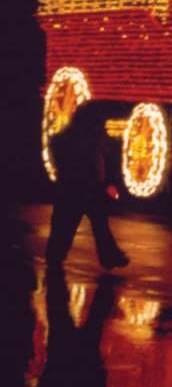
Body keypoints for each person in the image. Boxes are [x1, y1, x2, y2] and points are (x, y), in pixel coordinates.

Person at [45, 101, 129, 270]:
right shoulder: (84, 138)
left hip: (80, 186)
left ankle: (57, 254)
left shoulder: (73, 136)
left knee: (72, 222)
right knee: (80, 222)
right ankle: (57, 255)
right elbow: (97, 160)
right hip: (82, 186)